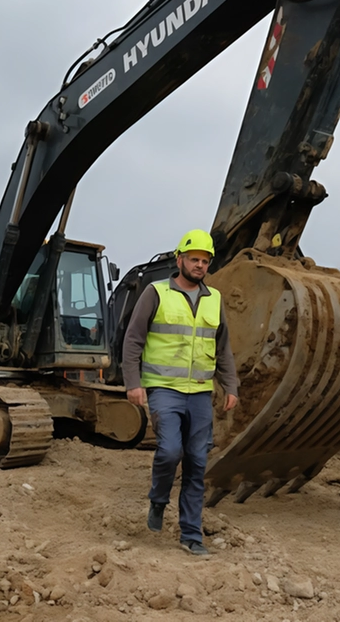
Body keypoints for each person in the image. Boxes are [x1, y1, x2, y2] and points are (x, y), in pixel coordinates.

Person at [123, 229, 239, 556]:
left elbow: (223, 348)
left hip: (201, 393)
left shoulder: (214, 299)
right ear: (180, 260)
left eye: (204, 261)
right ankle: (158, 500)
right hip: (164, 389)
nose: (199, 265)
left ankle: (191, 535)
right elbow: (133, 340)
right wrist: (133, 382)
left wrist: (230, 385)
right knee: (170, 451)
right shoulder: (155, 292)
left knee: (197, 462)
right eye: (194, 259)